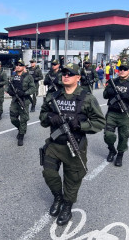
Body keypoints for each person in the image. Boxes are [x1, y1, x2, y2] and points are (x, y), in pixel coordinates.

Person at [39, 62, 105, 225]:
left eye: (70, 73)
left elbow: (100, 122)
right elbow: (42, 117)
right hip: (55, 143)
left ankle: (67, 205)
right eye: (64, 73)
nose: (66, 76)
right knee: (49, 174)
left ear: (78, 77)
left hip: (75, 145)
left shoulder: (87, 97)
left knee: (72, 179)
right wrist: (50, 117)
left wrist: (80, 125)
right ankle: (58, 197)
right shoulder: (53, 96)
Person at [103, 60, 129, 166]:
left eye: (125, 69)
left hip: (125, 115)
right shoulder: (113, 81)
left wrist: (128, 97)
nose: (122, 71)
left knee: (123, 136)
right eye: (120, 69)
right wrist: (109, 91)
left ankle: (120, 155)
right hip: (112, 113)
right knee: (108, 135)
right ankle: (112, 150)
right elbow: (105, 95)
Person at [6, 59, 35, 146]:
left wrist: (24, 93)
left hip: (24, 100)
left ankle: (21, 136)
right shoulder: (13, 77)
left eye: (20, 65)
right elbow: (8, 87)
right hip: (15, 100)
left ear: (23, 67)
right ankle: (20, 129)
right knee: (13, 118)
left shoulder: (28, 77)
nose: (18, 66)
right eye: (17, 65)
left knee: (23, 119)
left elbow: (33, 88)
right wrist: (10, 91)